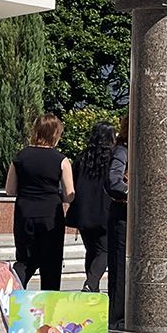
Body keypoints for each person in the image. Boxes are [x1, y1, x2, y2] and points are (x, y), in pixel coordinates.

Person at [5, 114, 75, 290]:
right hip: (50, 214)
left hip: (25, 213)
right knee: (51, 263)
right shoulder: (61, 160)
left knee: (24, 260)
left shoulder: (20, 157)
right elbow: (69, 193)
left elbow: (10, 190)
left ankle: (14, 296)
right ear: (55, 134)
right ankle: (49, 308)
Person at [67, 122, 116, 292]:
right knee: (105, 250)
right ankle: (91, 283)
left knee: (91, 250)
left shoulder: (82, 158)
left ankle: (92, 286)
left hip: (83, 211)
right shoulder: (112, 158)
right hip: (104, 211)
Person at [105, 116, 130, 328]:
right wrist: (135, 193)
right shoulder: (122, 150)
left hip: (136, 220)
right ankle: (116, 320)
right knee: (120, 270)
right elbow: (114, 182)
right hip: (123, 216)